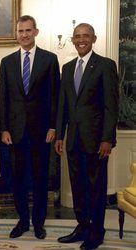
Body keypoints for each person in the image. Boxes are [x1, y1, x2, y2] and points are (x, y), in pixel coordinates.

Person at [55, 23, 119, 249]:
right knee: (78, 186)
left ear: (94, 38)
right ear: (72, 40)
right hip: (73, 140)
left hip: (97, 141)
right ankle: (82, 227)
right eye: (77, 36)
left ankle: (97, 231)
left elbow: (112, 106)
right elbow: (63, 104)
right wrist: (60, 135)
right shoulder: (68, 67)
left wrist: (107, 139)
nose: (81, 40)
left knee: (96, 188)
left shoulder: (105, 65)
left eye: (85, 36)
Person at [0, 15, 60, 239]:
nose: (23, 35)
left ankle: (39, 223)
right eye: (20, 31)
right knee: (18, 179)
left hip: (42, 131)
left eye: (27, 30)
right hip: (14, 132)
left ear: (36, 32)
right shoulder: (7, 62)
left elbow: (55, 96)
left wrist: (54, 127)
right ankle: (23, 221)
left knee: (41, 179)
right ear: (16, 34)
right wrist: (3, 128)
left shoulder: (50, 60)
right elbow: (3, 98)